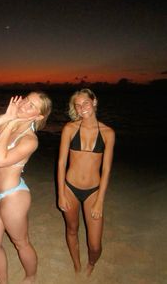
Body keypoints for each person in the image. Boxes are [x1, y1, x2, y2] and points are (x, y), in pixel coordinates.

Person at [0, 91, 52, 284]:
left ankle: (31, 277)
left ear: (38, 116)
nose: (24, 105)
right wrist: (6, 118)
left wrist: (11, 124)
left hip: (14, 195)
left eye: (32, 106)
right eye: (26, 100)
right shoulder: (8, 120)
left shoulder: (30, 140)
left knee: (20, 243)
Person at [57, 88, 115, 276]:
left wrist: (100, 201)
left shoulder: (108, 133)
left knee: (95, 245)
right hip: (70, 188)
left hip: (93, 191)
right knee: (72, 229)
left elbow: (106, 170)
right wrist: (61, 193)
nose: (82, 108)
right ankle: (76, 264)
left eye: (86, 103)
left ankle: (91, 262)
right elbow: (61, 163)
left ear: (94, 102)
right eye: (78, 105)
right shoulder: (69, 129)